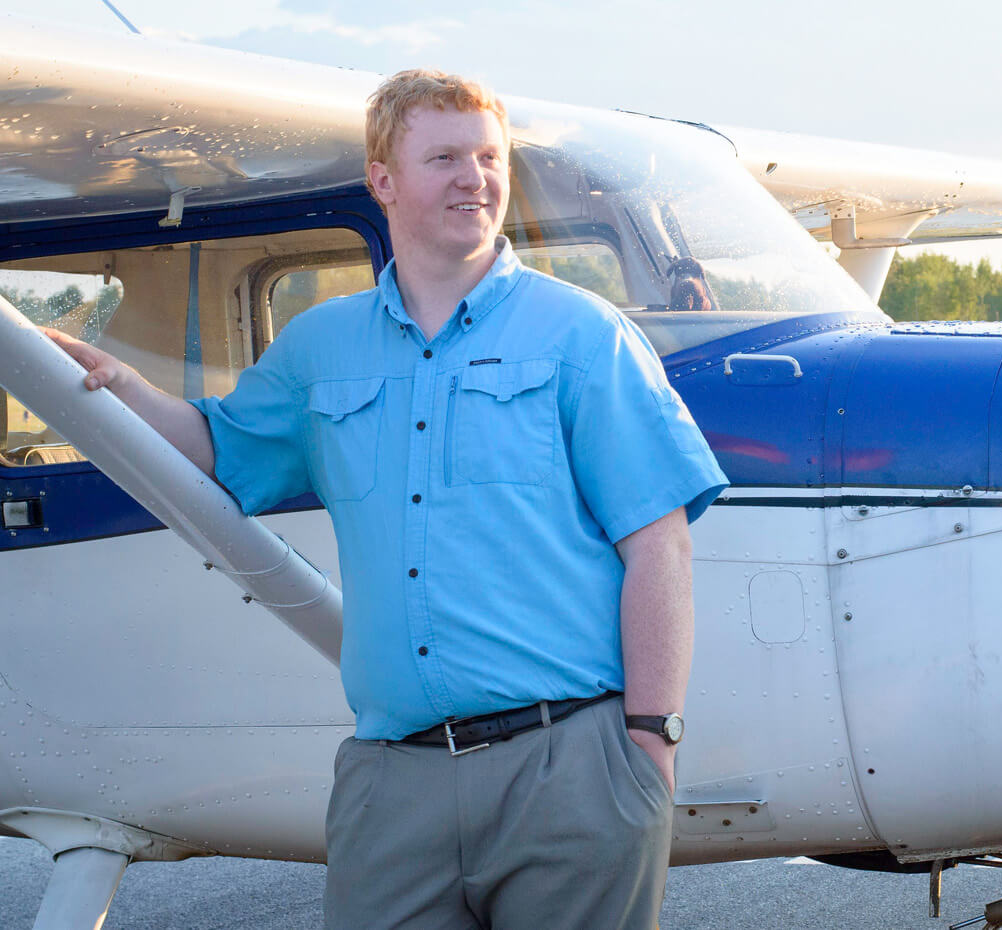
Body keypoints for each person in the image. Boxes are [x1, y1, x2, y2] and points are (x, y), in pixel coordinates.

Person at [45, 69, 727, 929]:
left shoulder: (583, 335)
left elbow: (659, 543)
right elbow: (216, 450)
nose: (473, 177)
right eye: (443, 156)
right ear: (382, 180)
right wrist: (110, 384)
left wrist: (648, 744)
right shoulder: (320, 347)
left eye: (487, 156)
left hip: (571, 769)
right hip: (391, 778)